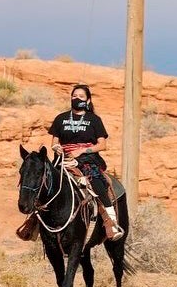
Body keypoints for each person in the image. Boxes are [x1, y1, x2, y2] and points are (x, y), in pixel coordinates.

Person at [49, 84, 123, 241]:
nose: (76, 99)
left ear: (88, 100)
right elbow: (54, 142)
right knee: (44, 180)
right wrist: (57, 148)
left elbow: (102, 145)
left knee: (96, 181)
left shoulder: (94, 120)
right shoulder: (61, 118)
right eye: (74, 96)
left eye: (81, 97)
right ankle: (33, 223)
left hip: (87, 158)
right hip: (64, 158)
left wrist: (82, 151)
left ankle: (111, 222)